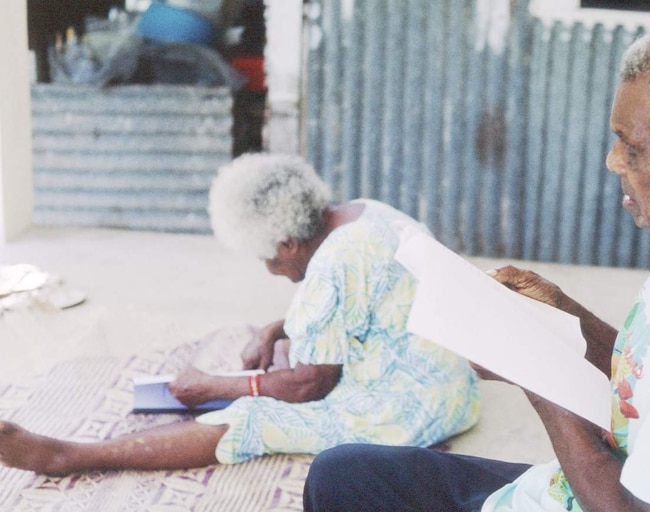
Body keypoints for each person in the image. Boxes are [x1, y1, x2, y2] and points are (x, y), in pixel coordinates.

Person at [246, 13, 650, 512]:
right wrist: (563, 312)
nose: (613, 160)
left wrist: (534, 369)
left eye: (631, 146)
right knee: (340, 473)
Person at [0, 153, 480, 474]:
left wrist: (218, 386)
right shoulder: (367, 212)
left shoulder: (332, 266)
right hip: (452, 375)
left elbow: (308, 386)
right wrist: (280, 326)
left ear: (289, 241)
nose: (271, 269)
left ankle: (70, 456)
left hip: (415, 410)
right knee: (289, 345)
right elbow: (369, 294)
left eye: (269, 256)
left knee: (253, 417)